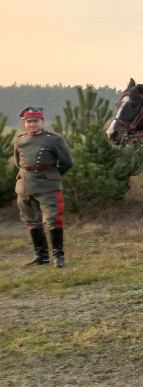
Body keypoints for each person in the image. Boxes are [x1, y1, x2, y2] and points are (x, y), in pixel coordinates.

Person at [15, 107, 74, 267]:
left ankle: (58, 257)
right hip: (25, 186)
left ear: (42, 121)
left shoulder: (55, 139)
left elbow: (67, 163)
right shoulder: (20, 140)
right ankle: (41, 256)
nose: (32, 124)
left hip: (48, 186)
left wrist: (53, 176)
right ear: (24, 123)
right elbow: (18, 162)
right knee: (32, 220)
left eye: (35, 121)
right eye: (28, 122)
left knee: (53, 220)